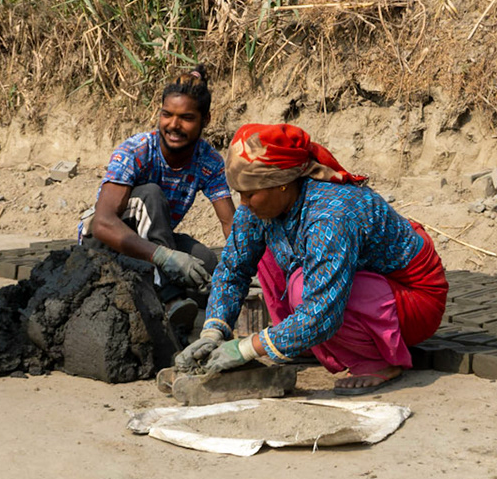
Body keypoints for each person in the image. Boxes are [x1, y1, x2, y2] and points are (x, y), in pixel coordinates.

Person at [179, 124, 448, 393]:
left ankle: (376, 361)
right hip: (369, 289)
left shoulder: (330, 217)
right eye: (240, 194)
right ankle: (300, 340)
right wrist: (213, 331)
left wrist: (248, 348)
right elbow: (232, 269)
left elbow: (322, 311)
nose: (244, 203)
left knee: (302, 287)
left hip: (413, 299)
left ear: (282, 184)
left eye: (250, 194)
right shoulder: (258, 209)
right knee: (263, 255)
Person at [83, 68, 234, 296]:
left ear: (206, 120)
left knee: (206, 263)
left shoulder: (209, 161)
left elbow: (229, 222)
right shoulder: (137, 151)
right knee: (150, 195)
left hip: (150, 241)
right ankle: (168, 295)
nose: (174, 125)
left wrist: (243, 269)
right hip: (105, 244)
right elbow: (102, 223)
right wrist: (164, 256)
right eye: (167, 114)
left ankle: (161, 286)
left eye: (186, 118)